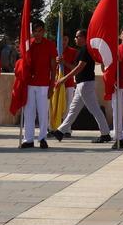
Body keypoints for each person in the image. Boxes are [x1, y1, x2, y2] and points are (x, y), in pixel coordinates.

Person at [51, 30, 111, 143]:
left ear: (83, 37)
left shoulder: (86, 49)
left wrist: (64, 78)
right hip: (81, 84)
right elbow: (76, 67)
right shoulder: (83, 50)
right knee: (73, 109)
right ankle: (60, 131)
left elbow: (79, 67)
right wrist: (64, 63)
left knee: (95, 109)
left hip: (85, 84)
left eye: (77, 36)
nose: (75, 39)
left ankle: (105, 133)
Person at [20, 21, 57, 149]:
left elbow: (53, 68)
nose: (37, 34)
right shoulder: (28, 44)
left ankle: (42, 138)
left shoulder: (50, 45)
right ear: (32, 32)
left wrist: (51, 86)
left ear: (44, 31)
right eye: (35, 31)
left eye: (40, 31)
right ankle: (28, 139)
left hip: (43, 84)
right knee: (29, 112)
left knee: (43, 113)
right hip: (29, 84)